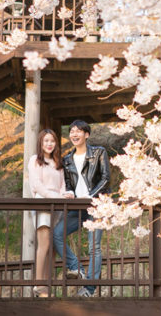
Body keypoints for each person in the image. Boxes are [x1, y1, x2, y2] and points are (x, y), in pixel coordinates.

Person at [52, 119, 110, 297]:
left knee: (94, 246)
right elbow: (69, 183)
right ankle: (76, 268)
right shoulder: (67, 159)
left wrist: (91, 195)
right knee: (57, 234)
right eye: (71, 131)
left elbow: (106, 178)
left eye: (78, 131)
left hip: (97, 204)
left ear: (87, 134)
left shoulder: (99, 153)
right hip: (77, 207)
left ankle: (89, 289)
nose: (74, 134)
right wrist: (69, 192)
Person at [28, 129, 74, 297]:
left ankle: (47, 286)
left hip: (57, 207)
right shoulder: (35, 160)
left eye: (52, 141)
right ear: (41, 143)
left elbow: (62, 185)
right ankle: (39, 286)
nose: (49, 144)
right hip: (43, 204)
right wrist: (56, 196)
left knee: (53, 246)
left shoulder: (57, 162)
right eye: (46, 141)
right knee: (44, 244)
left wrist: (66, 194)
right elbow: (37, 185)